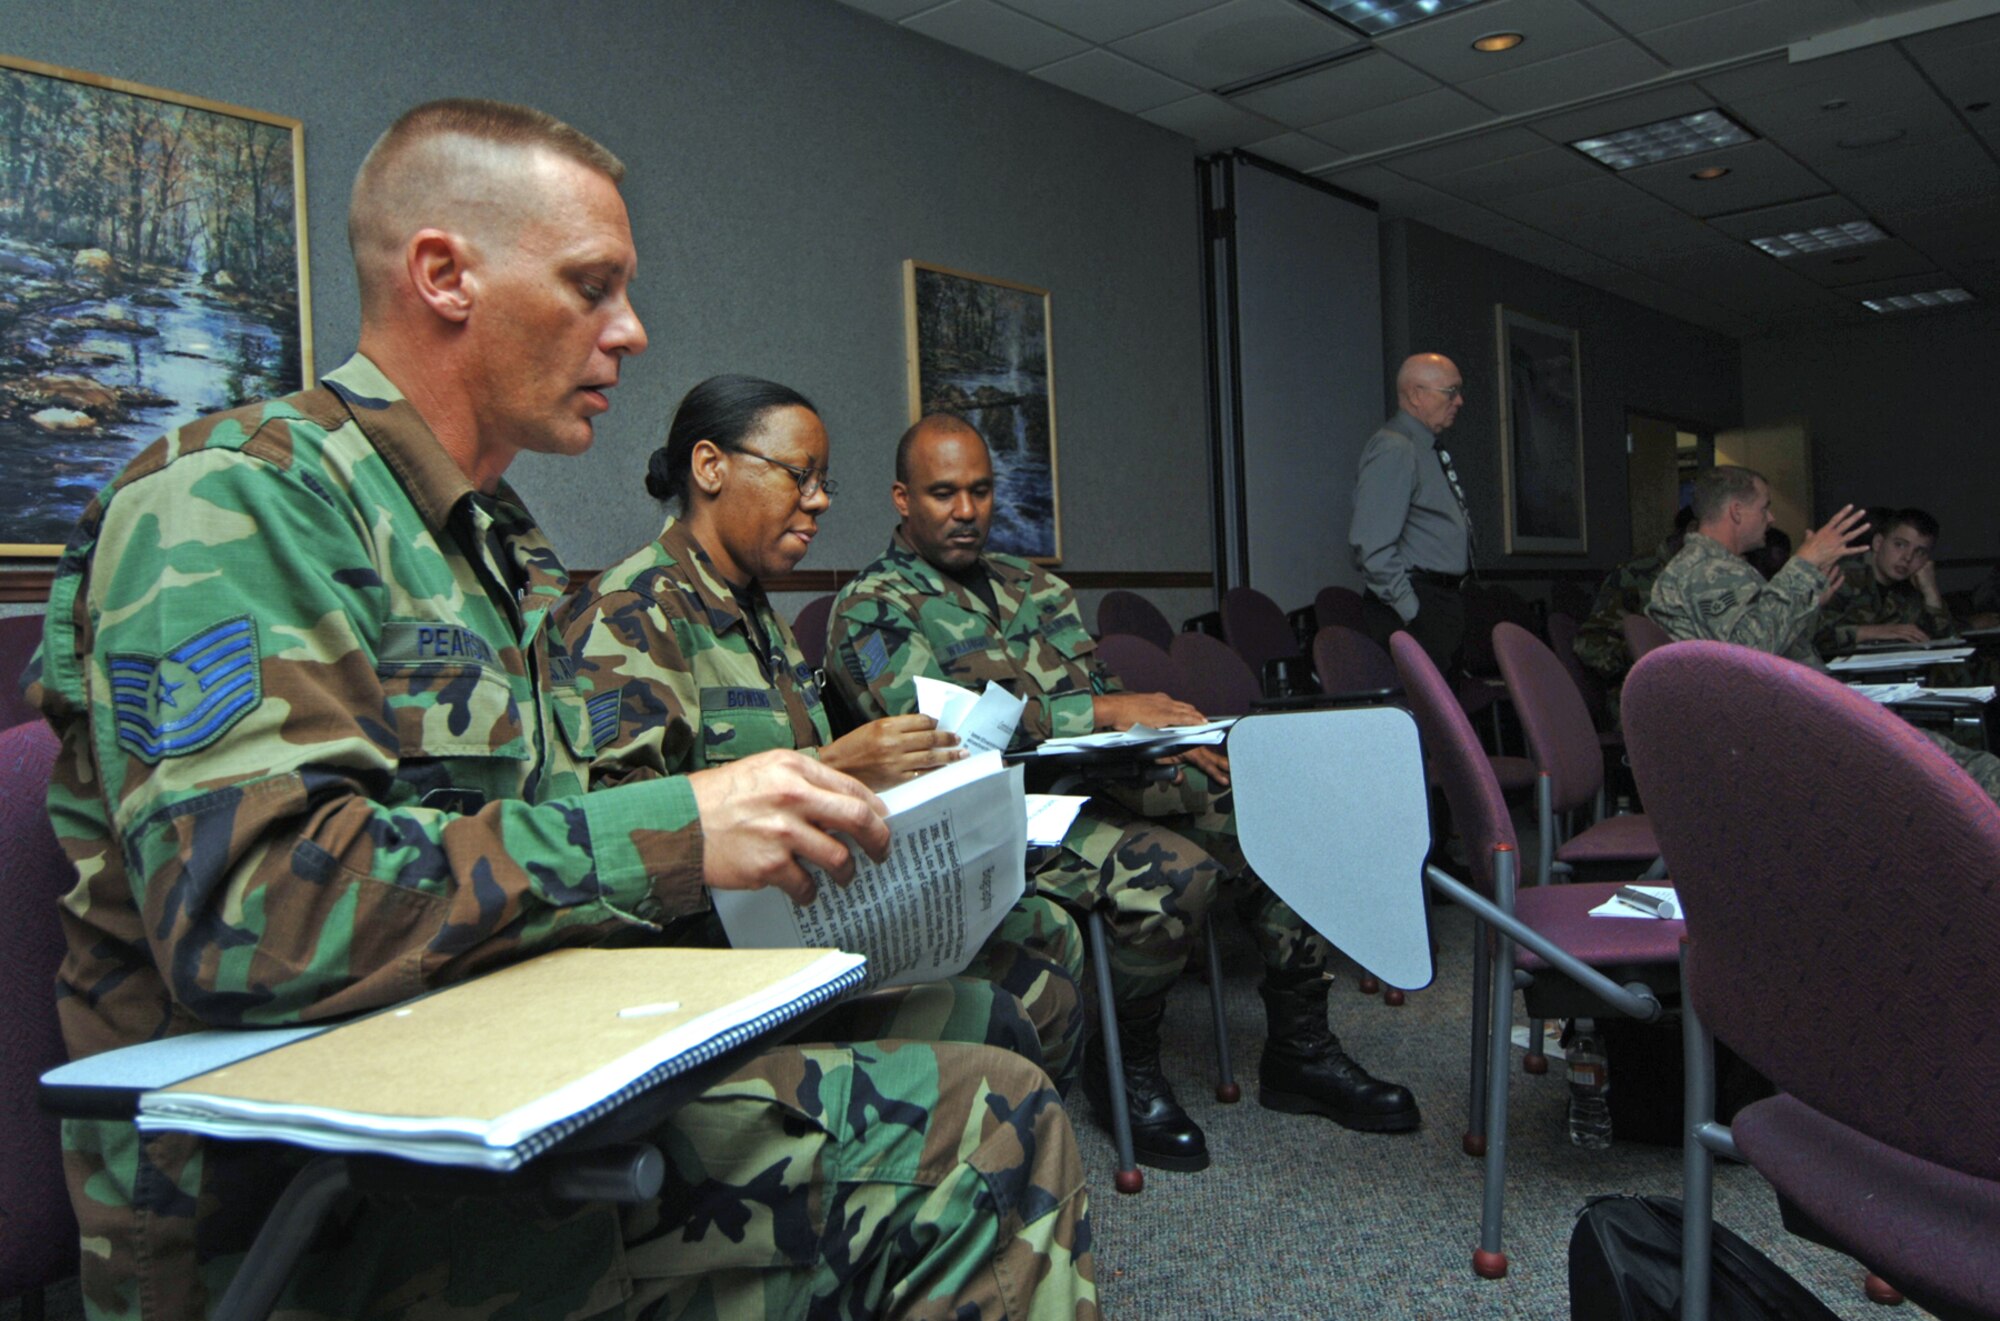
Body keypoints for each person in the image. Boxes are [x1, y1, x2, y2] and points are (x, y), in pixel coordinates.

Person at [30, 100, 1095, 1321]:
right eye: (592, 287)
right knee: (985, 1135)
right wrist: (679, 829)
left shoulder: (501, 546)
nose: (631, 333)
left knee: (971, 1011)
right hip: (311, 1177)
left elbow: (527, 842)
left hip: (500, 1066)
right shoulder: (234, 503)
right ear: (444, 276)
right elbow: (247, 914)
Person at [825, 413, 1421, 1173]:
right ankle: (1127, 1067)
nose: (967, 510)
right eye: (944, 493)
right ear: (902, 499)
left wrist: (1167, 741)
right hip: (992, 813)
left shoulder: (1030, 584)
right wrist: (1102, 712)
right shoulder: (873, 606)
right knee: (1170, 877)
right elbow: (933, 734)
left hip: (1099, 781)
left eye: (979, 490)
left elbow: (1099, 691)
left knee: (1275, 816)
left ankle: (1300, 1051)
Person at [559, 373, 1086, 1092]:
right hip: (717, 961)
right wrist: (833, 764)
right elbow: (616, 842)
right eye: (799, 476)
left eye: (824, 480)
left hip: (806, 910)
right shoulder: (633, 614)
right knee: (1001, 1014)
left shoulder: (755, 613)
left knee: (1043, 934)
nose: (821, 501)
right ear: (710, 466)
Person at [1648, 466, 2000, 801]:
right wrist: (1803, 564)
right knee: (1972, 771)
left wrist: (1811, 604)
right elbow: (1747, 651)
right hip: (1790, 732)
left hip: (1805, 719)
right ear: (1737, 512)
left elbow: (1768, 642)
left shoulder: (1718, 567)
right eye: (1765, 507)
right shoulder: (1706, 571)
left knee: (1956, 761)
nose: (1771, 518)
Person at [1350, 352, 1474, 676]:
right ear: (1416, 395)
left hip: (1441, 601)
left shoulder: (1425, 446)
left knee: (1447, 719)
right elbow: (1372, 548)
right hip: (1418, 603)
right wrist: (1414, 612)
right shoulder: (1395, 447)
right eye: (1451, 391)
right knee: (1429, 720)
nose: (1459, 401)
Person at [1573, 505, 1695, 686]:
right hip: (1649, 691)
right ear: (1693, 530)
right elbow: (1589, 646)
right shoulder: (1636, 574)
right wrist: (1644, 646)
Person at [1815, 507, 1953, 655]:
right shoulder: (1842, 575)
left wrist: (1931, 593)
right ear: (1878, 543)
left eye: (1920, 552)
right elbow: (1808, 636)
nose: (1908, 557)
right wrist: (1870, 632)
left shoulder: (1912, 586)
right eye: (1900, 544)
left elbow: (1946, 644)